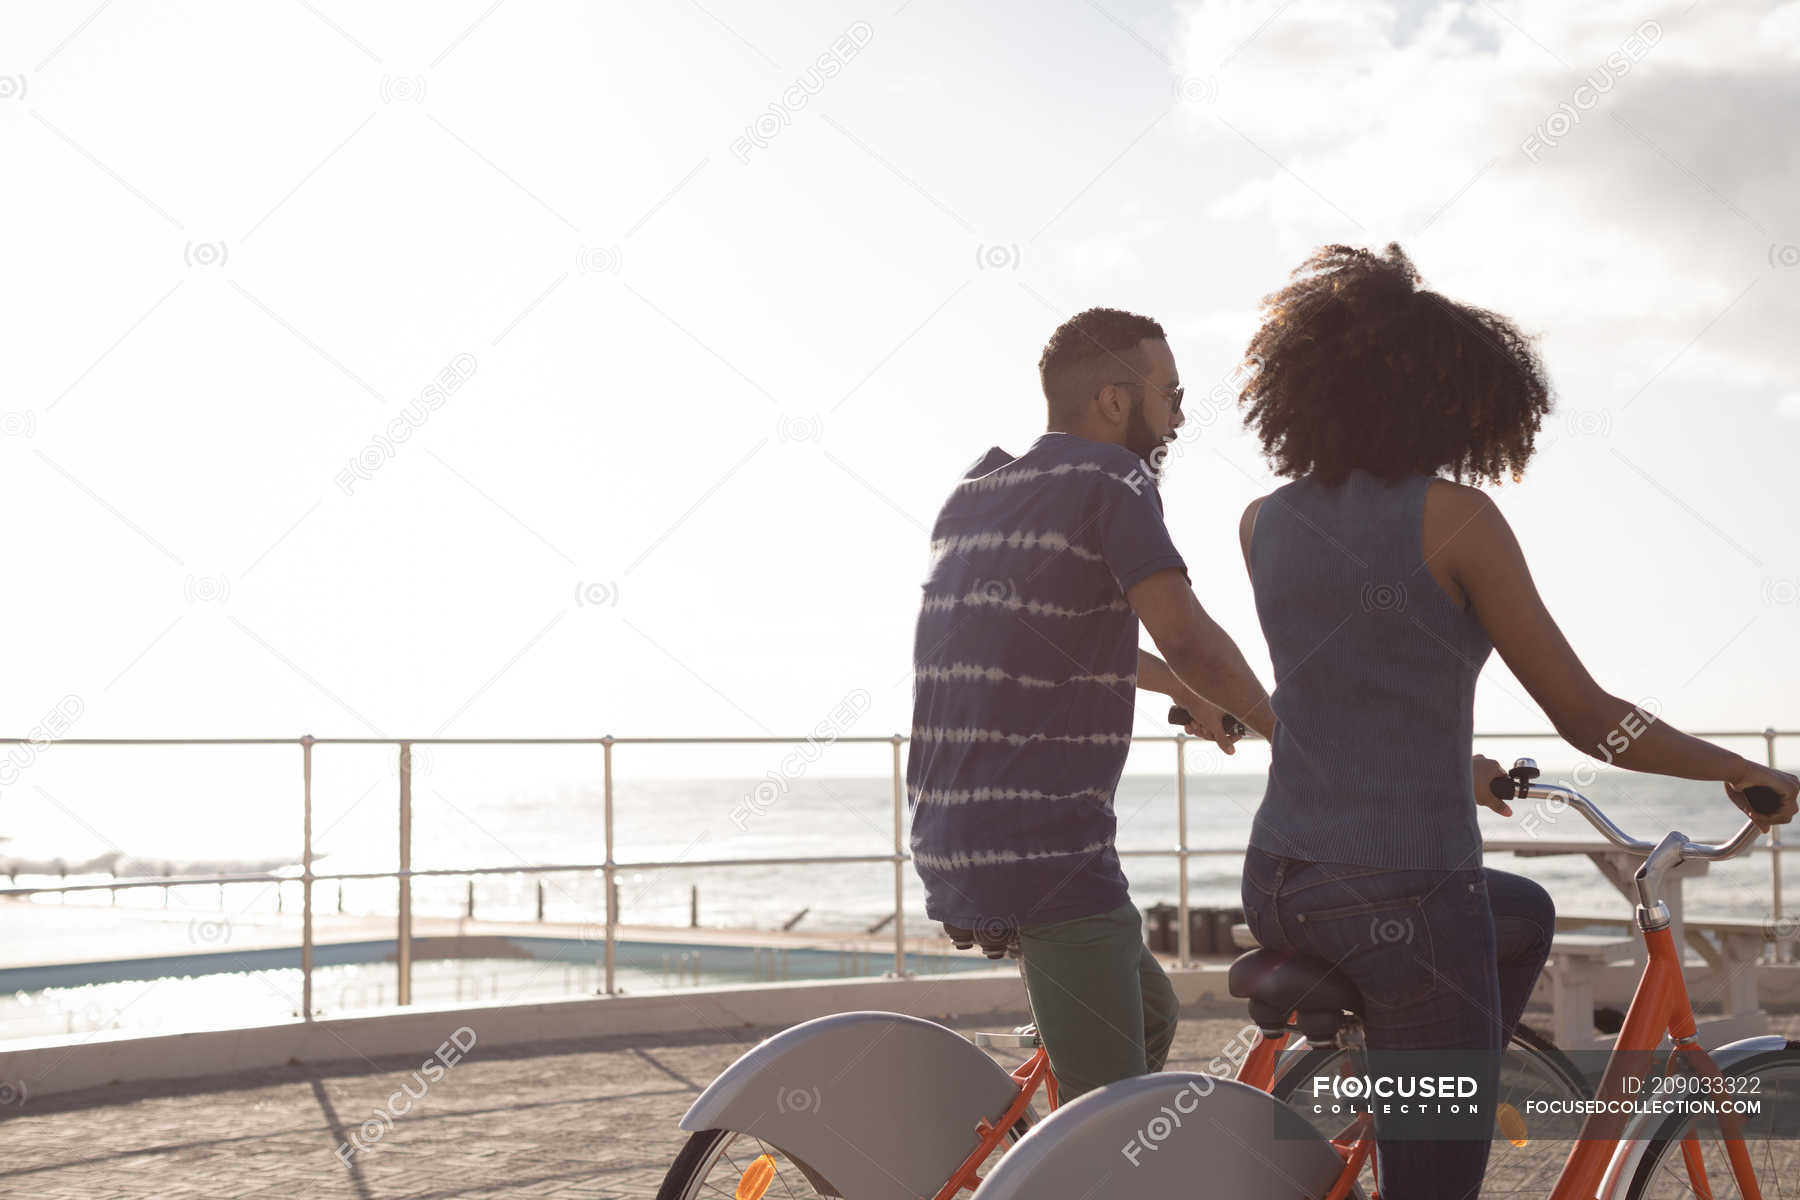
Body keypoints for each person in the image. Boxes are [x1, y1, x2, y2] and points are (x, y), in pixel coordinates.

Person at [1232, 243, 1800, 1199]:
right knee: (1442, 1182)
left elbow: (1352, 688)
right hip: (1402, 893)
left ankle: (1426, 1081)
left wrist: (1456, 766)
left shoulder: (1263, 521)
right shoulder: (1456, 519)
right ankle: (1437, 1103)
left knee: (1519, 912)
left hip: (1280, 879)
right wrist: (1740, 769)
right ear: (1451, 401)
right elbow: (1590, 720)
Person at [904, 307, 1277, 1101]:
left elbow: (1051, 638)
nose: (1179, 415)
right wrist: (1295, 736)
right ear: (1115, 401)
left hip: (951, 830)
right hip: (1046, 850)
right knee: (1106, 1126)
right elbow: (1187, 633)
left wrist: (1181, 692)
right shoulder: (1114, 479)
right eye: (1170, 395)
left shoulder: (975, 493)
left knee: (1146, 1013)